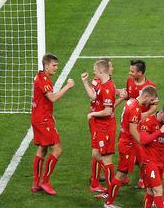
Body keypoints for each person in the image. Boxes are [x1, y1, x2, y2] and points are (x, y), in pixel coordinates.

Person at [101, 85, 158, 208]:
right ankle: (109, 201)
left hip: (129, 142)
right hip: (128, 144)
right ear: (146, 96)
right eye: (151, 100)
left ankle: (152, 199)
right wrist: (144, 143)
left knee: (146, 165)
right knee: (121, 174)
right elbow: (133, 131)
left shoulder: (131, 101)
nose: (150, 103)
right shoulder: (135, 108)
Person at [30, 53, 75, 195]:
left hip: (38, 117)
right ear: (46, 65)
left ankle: (36, 183)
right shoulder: (44, 80)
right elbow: (53, 98)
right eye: (54, 65)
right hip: (43, 120)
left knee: (42, 149)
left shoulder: (39, 76)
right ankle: (44, 181)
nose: (56, 68)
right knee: (57, 149)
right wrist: (68, 86)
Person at [115, 59, 157, 188]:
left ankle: (141, 179)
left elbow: (154, 106)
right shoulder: (130, 81)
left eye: (132, 71)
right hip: (131, 122)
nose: (129, 73)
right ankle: (124, 175)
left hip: (142, 124)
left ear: (139, 73)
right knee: (129, 149)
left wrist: (144, 115)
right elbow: (129, 98)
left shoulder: (150, 86)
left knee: (142, 153)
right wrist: (120, 97)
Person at [81, 59, 116, 193]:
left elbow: (108, 111)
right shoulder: (101, 83)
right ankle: (103, 184)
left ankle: (112, 189)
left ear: (101, 70)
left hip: (105, 127)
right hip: (99, 124)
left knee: (106, 159)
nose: (94, 72)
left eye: (95, 69)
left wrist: (93, 114)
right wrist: (85, 82)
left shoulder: (107, 87)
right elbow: (94, 96)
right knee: (96, 153)